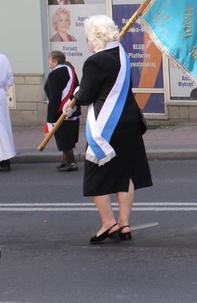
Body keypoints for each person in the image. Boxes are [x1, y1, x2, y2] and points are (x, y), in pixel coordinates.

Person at [67, 15, 152, 243]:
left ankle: (108, 223)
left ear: (95, 37)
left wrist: (73, 97)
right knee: (125, 175)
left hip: (107, 127)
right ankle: (124, 224)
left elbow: (85, 96)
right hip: (130, 124)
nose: (87, 41)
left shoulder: (95, 62)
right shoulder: (122, 55)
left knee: (96, 176)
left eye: (87, 37)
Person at [44, 51, 81, 171]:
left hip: (62, 111)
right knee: (68, 136)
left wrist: (50, 117)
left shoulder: (54, 74)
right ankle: (65, 161)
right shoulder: (70, 70)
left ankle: (72, 163)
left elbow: (55, 96)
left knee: (64, 138)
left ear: (54, 62)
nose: (48, 62)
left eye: (49, 60)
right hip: (72, 109)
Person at [0, 53, 16, 171]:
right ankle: (6, 158)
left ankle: (3, 159)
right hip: (1, 94)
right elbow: (10, 78)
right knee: (3, 126)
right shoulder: (3, 58)